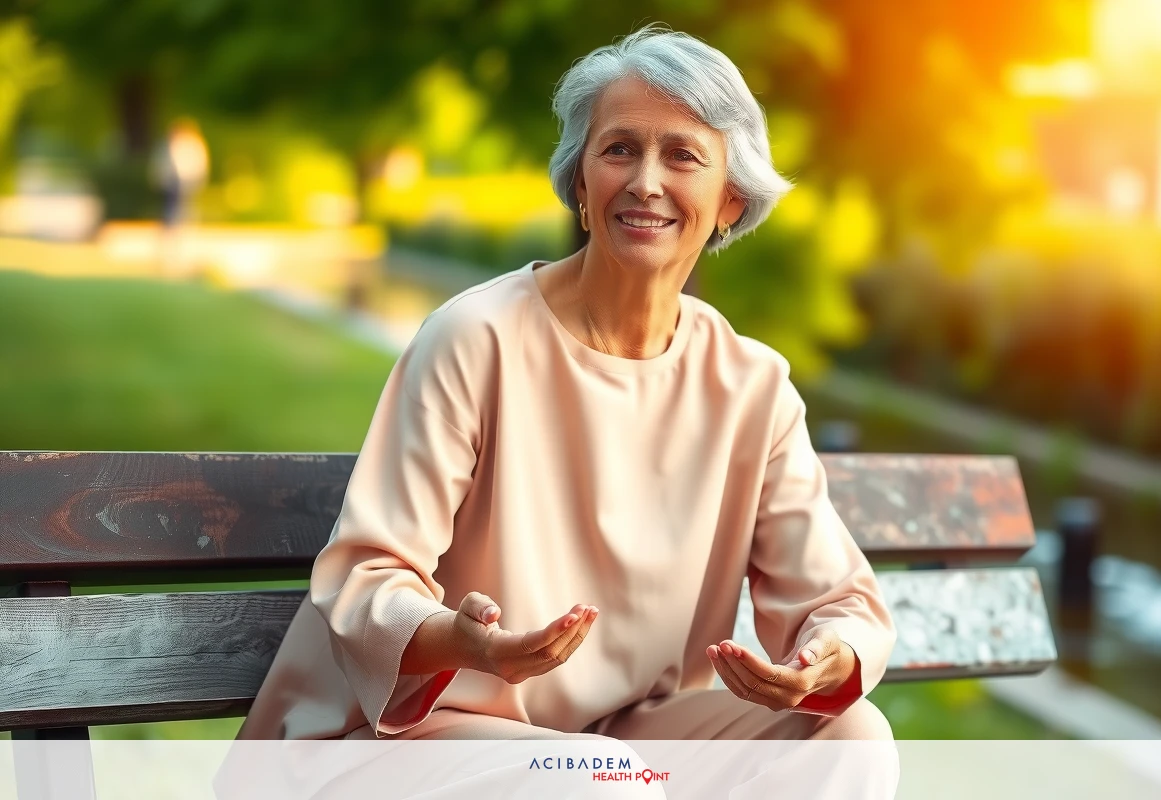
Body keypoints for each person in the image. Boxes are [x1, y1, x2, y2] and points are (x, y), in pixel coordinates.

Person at [235, 26, 897, 748]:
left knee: (850, 738)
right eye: (619, 149)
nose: (646, 181)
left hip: (624, 740)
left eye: (682, 155)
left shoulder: (752, 387)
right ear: (581, 181)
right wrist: (465, 643)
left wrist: (825, 657)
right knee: (601, 782)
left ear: (731, 200)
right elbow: (367, 577)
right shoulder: (475, 337)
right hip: (421, 732)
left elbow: (835, 600)